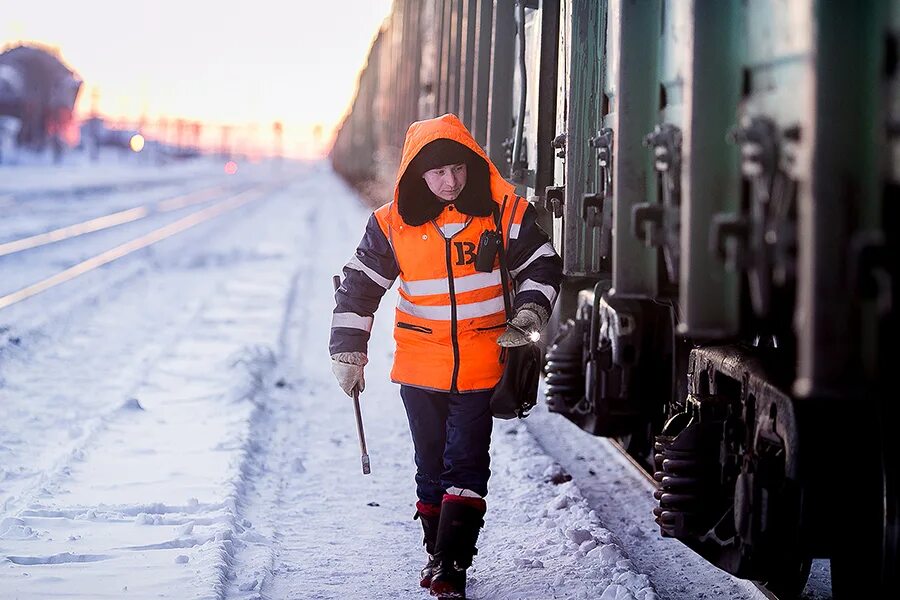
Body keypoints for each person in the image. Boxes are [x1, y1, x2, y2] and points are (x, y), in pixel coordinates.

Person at [329, 113, 562, 599]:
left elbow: (542, 263)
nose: (450, 181)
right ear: (417, 174)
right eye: (437, 173)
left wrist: (529, 315)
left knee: (467, 463)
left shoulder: (502, 212)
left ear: (470, 164)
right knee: (430, 464)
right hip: (419, 368)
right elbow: (358, 289)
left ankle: (453, 564)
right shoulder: (390, 225)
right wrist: (349, 350)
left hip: (483, 365)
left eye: (457, 169)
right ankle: (436, 552)